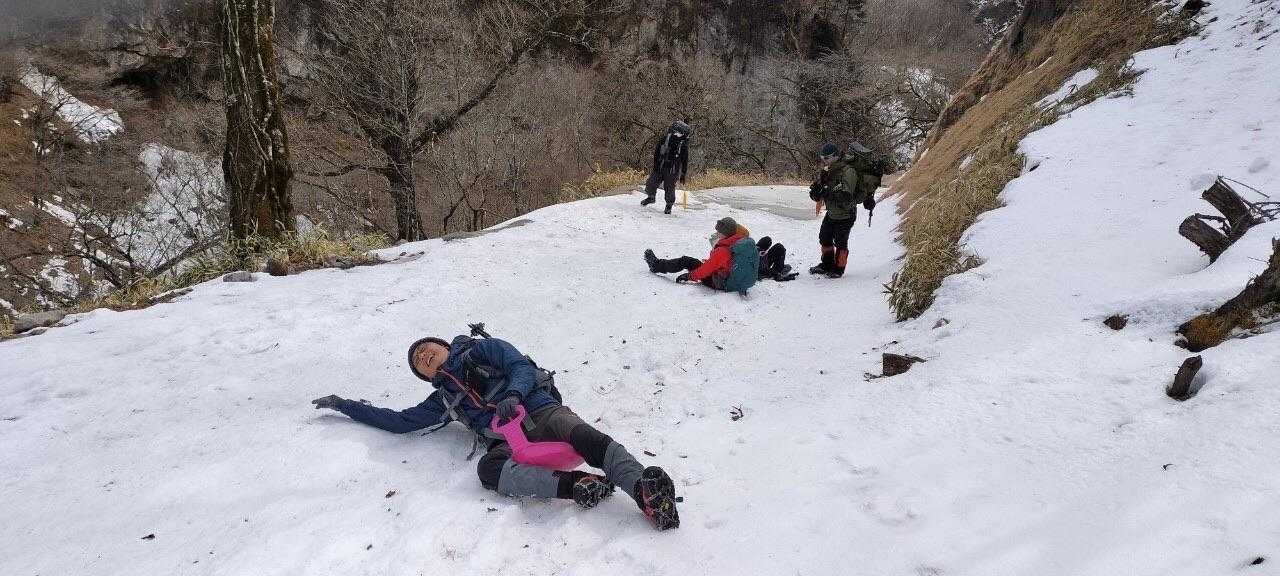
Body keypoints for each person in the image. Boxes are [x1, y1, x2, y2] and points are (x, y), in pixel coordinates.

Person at [311, 332, 680, 530]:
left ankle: (643, 492)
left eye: (425, 348)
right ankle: (579, 485)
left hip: (540, 409)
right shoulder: (443, 400)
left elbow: (519, 365)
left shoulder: (483, 350)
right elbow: (398, 421)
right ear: (426, 376)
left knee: (585, 436)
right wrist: (345, 405)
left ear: (442, 344)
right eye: (418, 362)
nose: (423, 355)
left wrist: (514, 394)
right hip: (505, 439)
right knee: (489, 470)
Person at [808, 142, 882, 278]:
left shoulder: (848, 171)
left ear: (836, 156)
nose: (824, 160)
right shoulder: (828, 171)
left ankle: (838, 269)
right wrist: (815, 193)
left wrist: (827, 193)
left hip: (846, 214)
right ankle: (826, 264)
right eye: (822, 157)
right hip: (831, 213)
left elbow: (847, 196)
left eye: (827, 158)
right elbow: (818, 192)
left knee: (841, 243)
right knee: (824, 238)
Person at [644, 217, 758, 292]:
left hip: (719, 282)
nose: (717, 233)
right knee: (693, 262)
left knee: (686, 261)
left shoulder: (723, 250)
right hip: (727, 278)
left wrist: (689, 276)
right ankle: (658, 265)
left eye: (719, 231)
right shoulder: (737, 241)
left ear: (725, 233)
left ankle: (656, 265)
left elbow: (706, 269)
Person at [641, 120, 692, 214]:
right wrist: (656, 165)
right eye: (675, 132)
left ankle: (669, 205)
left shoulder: (683, 145)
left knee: (669, 188)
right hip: (660, 166)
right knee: (651, 183)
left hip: (672, 170)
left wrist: (683, 174)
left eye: (679, 133)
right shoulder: (665, 138)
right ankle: (651, 197)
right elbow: (657, 151)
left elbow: (684, 160)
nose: (676, 134)